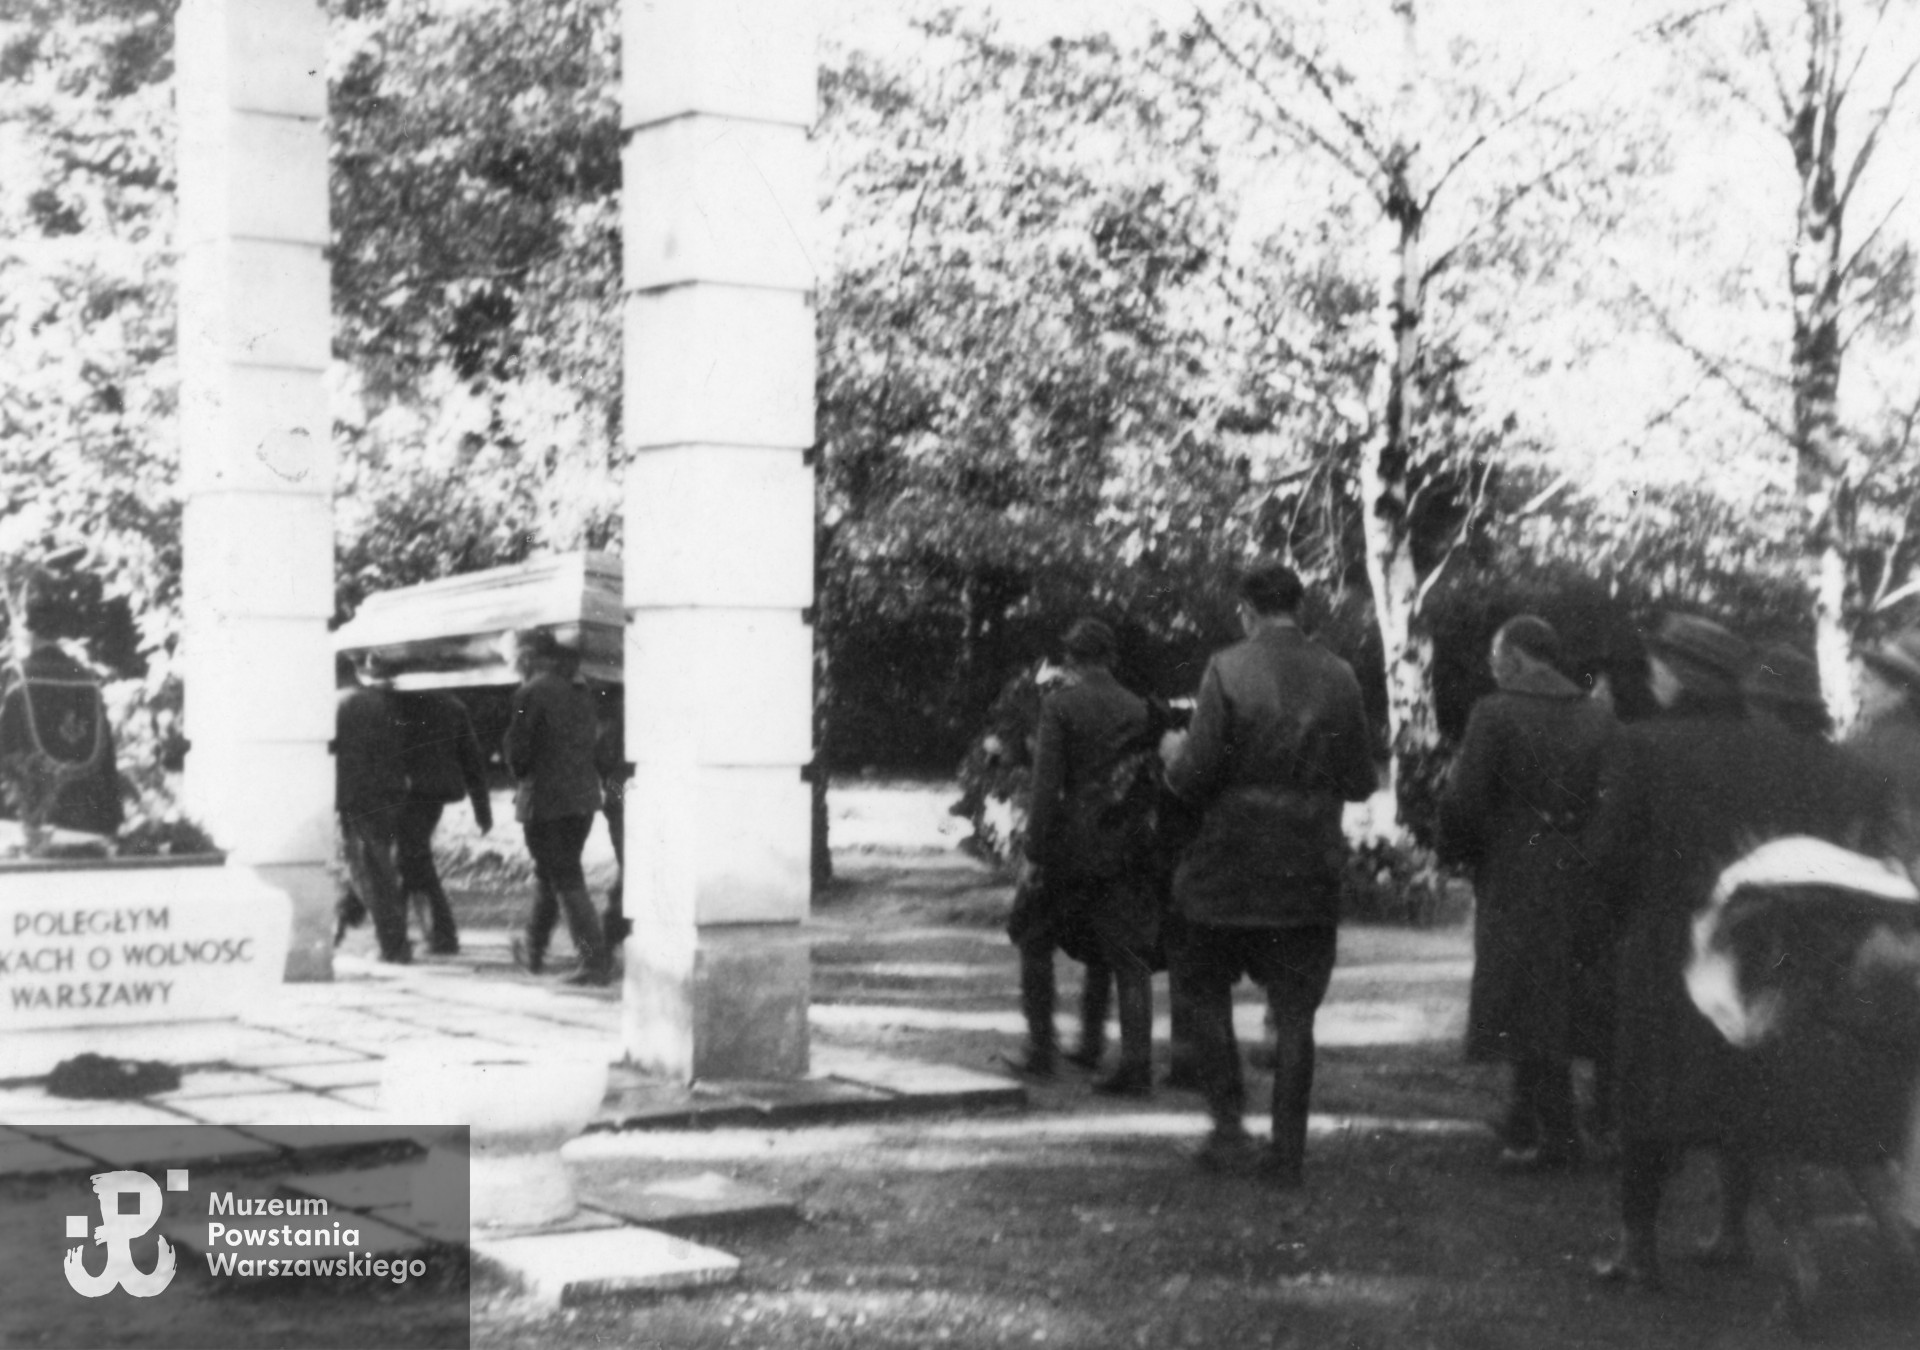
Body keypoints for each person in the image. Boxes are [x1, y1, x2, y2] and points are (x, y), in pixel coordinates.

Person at [1583, 613, 1888, 1290]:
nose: (1653, 675)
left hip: (1665, 945)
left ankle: (1638, 1248)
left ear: (1682, 674)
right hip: (1761, 946)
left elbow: (1607, 859)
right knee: (1745, 1087)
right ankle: (1729, 1228)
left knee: (1646, 1096)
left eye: (1660, 664)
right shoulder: (1786, 753)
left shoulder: (1642, 746)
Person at [1160, 563, 1377, 1185]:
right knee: (1297, 1014)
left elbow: (1192, 776)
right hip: (1307, 866)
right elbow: (1362, 781)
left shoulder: (1227, 668)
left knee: (1202, 988)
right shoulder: (1339, 675)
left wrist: (1174, 756)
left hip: (1228, 865)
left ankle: (1228, 1129)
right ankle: (1287, 1156)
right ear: (1300, 608)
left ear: (1245, 611)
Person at [1437, 615, 1617, 1172]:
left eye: (1496, 656)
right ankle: (1528, 1114)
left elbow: (1466, 801)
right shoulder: (1596, 713)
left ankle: (1556, 1135)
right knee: (1559, 992)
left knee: (1523, 993)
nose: (1493, 667)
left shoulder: (1494, 713)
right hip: (1581, 866)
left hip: (1515, 863)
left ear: (1517, 656)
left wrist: (1459, 851)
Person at [1009, 618, 1159, 1095]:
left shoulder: (1060, 706)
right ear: (1111, 658)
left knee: (1034, 938)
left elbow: (1045, 786)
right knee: (1123, 953)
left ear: (1071, 660)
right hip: (1124, 845)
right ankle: (1123, 1058)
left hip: (1070, 845)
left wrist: (1034, 852)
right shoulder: (1138, 709)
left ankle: (1041, 1051)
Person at [504, 629, 612, 986]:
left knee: (563, 877)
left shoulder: (528, 692)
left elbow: (517, 754)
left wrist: (519, 771)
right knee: (552, 872)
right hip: (581, 800)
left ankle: (594, 961)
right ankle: (533, 949)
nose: (511, 665)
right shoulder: (580, 689)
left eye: (512, 658)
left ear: (527, 657)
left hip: (545, 802)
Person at [0, 587, 122, 847]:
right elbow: (107, 758)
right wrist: (112, 816)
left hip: (38, 817)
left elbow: (6, 751)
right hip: (89, 814)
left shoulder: (19, 679)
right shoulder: (87, 679)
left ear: (27, 626)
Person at [393, 688, 493, 956]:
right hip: (436, 793)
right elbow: (472, 759)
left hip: (406, 792)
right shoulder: (453, 705)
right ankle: (416, 937)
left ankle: (434, 937)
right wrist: (482, 809)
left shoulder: (398, 702)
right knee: (409, 859)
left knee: (410, 859)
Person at [334, 653, 412, 964]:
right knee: (377, 868)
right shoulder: (378, 699)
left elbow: (339, 759)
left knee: (371, 873)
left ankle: (394, 948)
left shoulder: (339, 704)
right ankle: (345, 924)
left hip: (359, 798)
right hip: (390, 793)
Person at [592, 684, 631, 946]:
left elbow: (604, 758)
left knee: (629, 868)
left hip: (621, 793)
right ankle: (611, 934)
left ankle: (608, 937)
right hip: (630, 792)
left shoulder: (613, 717)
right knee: (630, 868)